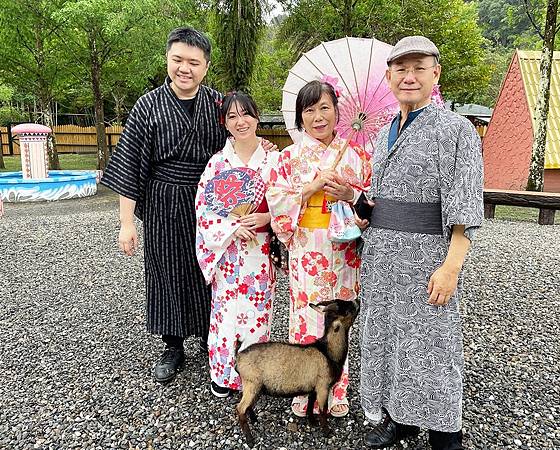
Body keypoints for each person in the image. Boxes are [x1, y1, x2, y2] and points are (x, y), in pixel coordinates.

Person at [357, 36, 484, 450]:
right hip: (381, 259)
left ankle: (446, 434)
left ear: (436, 74)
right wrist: (359, 203)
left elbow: (463, 210)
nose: (409, 77)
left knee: (434, 348)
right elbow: (381, 198)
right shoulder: (382, 133)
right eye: (401, 69)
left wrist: (451, 267)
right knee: (388, 340)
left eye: (419, 68)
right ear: (389, 76)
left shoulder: (456, 130)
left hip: (428, 258)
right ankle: (399, 419)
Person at [100, 28, 228, 383]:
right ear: (167, 59)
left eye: (193, 62)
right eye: (178, 60)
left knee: (210, 269)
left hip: (209, 202)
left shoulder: (219, 105)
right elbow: (129, 164)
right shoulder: (148, 106)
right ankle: (173, 344)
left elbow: (238, 148)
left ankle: (209, 335)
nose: (184, 68)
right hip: (163, 198)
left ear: (206, 66)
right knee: (166, 270)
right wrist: (127, 223)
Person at [267, 80, 371, 418]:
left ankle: (336, 386)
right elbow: (276, 200)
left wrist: (350, 199)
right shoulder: (289, 158)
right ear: (300, 117)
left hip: (342, 249)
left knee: (338, 321)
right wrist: (311, 187)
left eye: (324, 107)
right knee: (305, 318)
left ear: (337, 111)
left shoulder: (356, 156)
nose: (317, 117)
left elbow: (368, 201)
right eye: (308, 110)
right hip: (308, 248)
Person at [195, 92, 278, 398]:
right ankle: (223, 374)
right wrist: (230, 226)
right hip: (227, 254)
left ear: (257, 117)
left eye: (246, 114)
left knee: (257, 316)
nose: (240, 122)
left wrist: (267, 216)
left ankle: (253, 375)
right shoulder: (218, 162)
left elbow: (287, 202)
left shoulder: (273, 158)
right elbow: (203, 207)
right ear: (224, 123)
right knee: (225, 316)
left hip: (259, 250)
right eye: (232, 116)